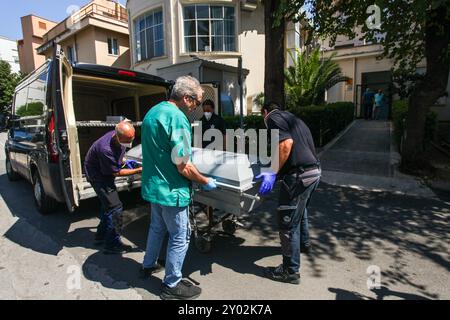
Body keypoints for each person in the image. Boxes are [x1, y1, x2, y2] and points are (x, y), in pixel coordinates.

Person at [140, 76, 217, 300]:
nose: (196, 107)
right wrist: (205, 181)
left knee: (156, 228)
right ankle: (171, 284)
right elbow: (183, 166)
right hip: (172, 190)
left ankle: (148, 265)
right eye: (196, 102)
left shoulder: (152, 112)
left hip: (154, 187)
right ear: (186, 98)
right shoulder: (178, 119)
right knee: (180, 236)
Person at [256, 102, 321, 285]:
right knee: (301, 212)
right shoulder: (294, 119)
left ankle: (290, 271)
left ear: (265, 112)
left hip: (299, 176)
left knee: (287, 221)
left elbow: (286, 144)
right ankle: (304, 245)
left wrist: (272, 172)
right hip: (314, 172)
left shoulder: (272, 118)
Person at [84, 121, 142, 254]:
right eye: (128, 140)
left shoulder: (117, 137)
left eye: (132, 138)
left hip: (101, 171)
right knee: (115, 208)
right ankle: (112, 244)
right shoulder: (106, 149)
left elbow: (120, 157)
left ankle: (100, 236)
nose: (131, 142)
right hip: (98, 177)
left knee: (107, 207)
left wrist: (123, 161)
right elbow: (116, 172)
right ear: (118, 137)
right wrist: (138, 170)